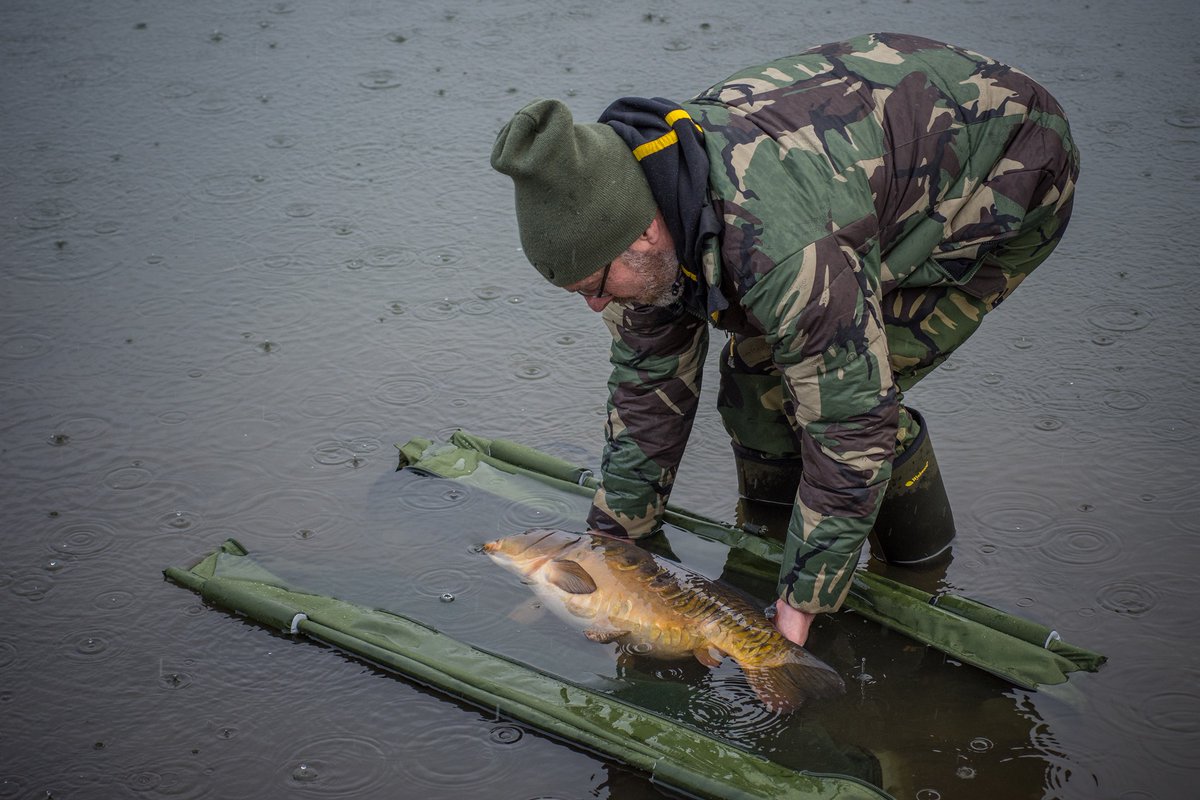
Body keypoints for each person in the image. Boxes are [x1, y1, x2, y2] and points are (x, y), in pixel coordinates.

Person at [490, 33, 1079, 647]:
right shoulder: (635, 201)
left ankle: (920, 573)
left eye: (596, 285)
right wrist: (611, 543)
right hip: (854, 180)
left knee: (834, 401)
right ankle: (769, 550)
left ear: (643, 235)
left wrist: (797, 611)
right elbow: (648, 384)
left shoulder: (783, 250)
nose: (595, 304)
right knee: (755, 388)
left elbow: (852, 420)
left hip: (1008, 172)